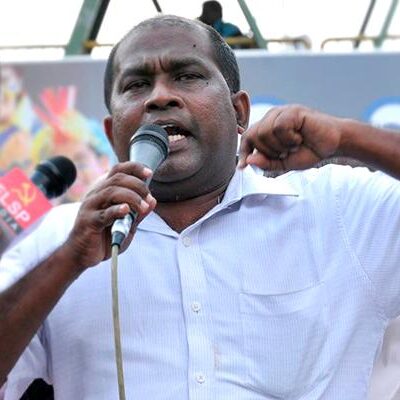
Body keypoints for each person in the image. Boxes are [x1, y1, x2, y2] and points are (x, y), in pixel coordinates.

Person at [0, 14, 400, 399]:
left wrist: (348, 138)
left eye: (187, 76)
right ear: (110, 130)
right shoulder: (61, 238)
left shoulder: (337, 209)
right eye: (137, 85)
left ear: (239, 112)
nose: (160, 96)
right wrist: (69, 259)